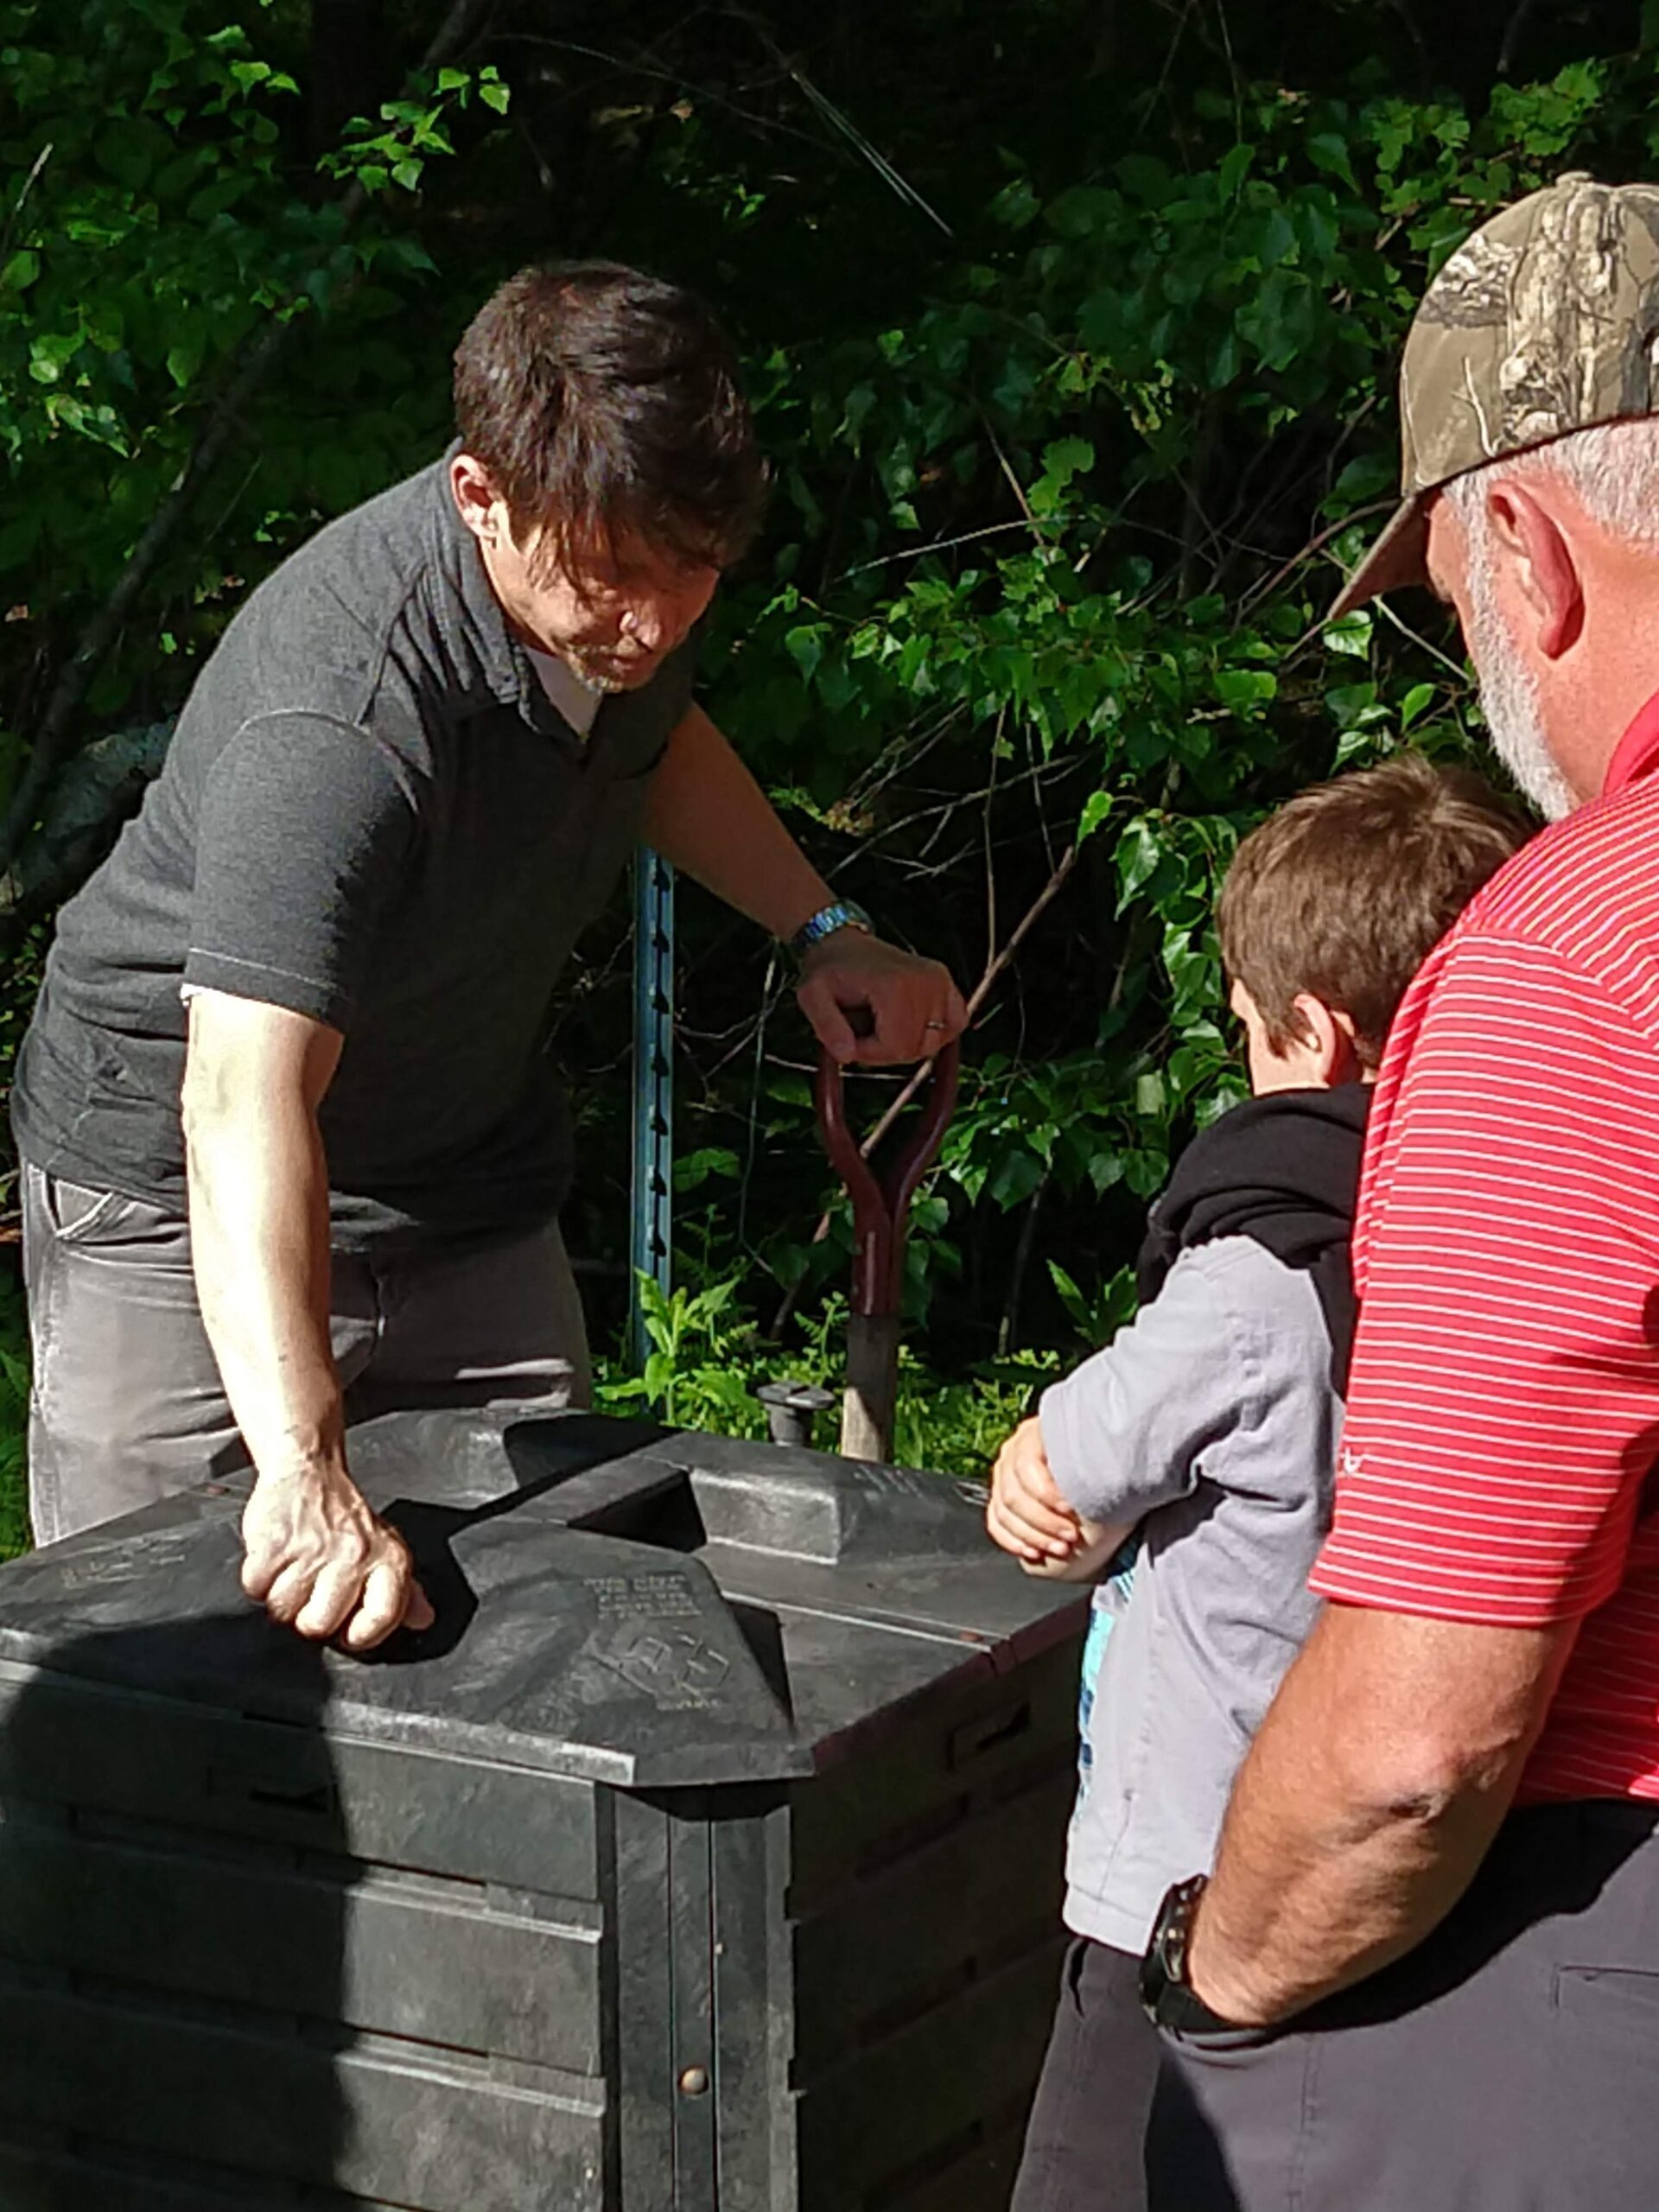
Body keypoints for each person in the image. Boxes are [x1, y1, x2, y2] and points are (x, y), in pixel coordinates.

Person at [9, 261, 965, 1652]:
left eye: (693, 576)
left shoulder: (614, 576)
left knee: (554, 1614)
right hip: (175, 1200)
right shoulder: (338, 717)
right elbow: (236, 1098)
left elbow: (654, 745)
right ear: (478, 495)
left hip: (456, 1181)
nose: (656, 624)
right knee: (166, 1664)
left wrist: (822, 928)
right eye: (619, 580)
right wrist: (298, 1465)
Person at [1136, 172, 1659, 2212]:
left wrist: (1220, 1962)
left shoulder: (1572, 965)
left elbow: (1411, 1748)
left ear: (1519, 548)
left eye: (1444, 596)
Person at [985, 757, 1527, 2212]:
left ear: (1316, 1034)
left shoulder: (1250, 1280)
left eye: (1245, 1033)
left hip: (1180, 1881)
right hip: (1402, 1893)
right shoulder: (1496, 1243)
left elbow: (1074, 1467)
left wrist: (1023, 1465)